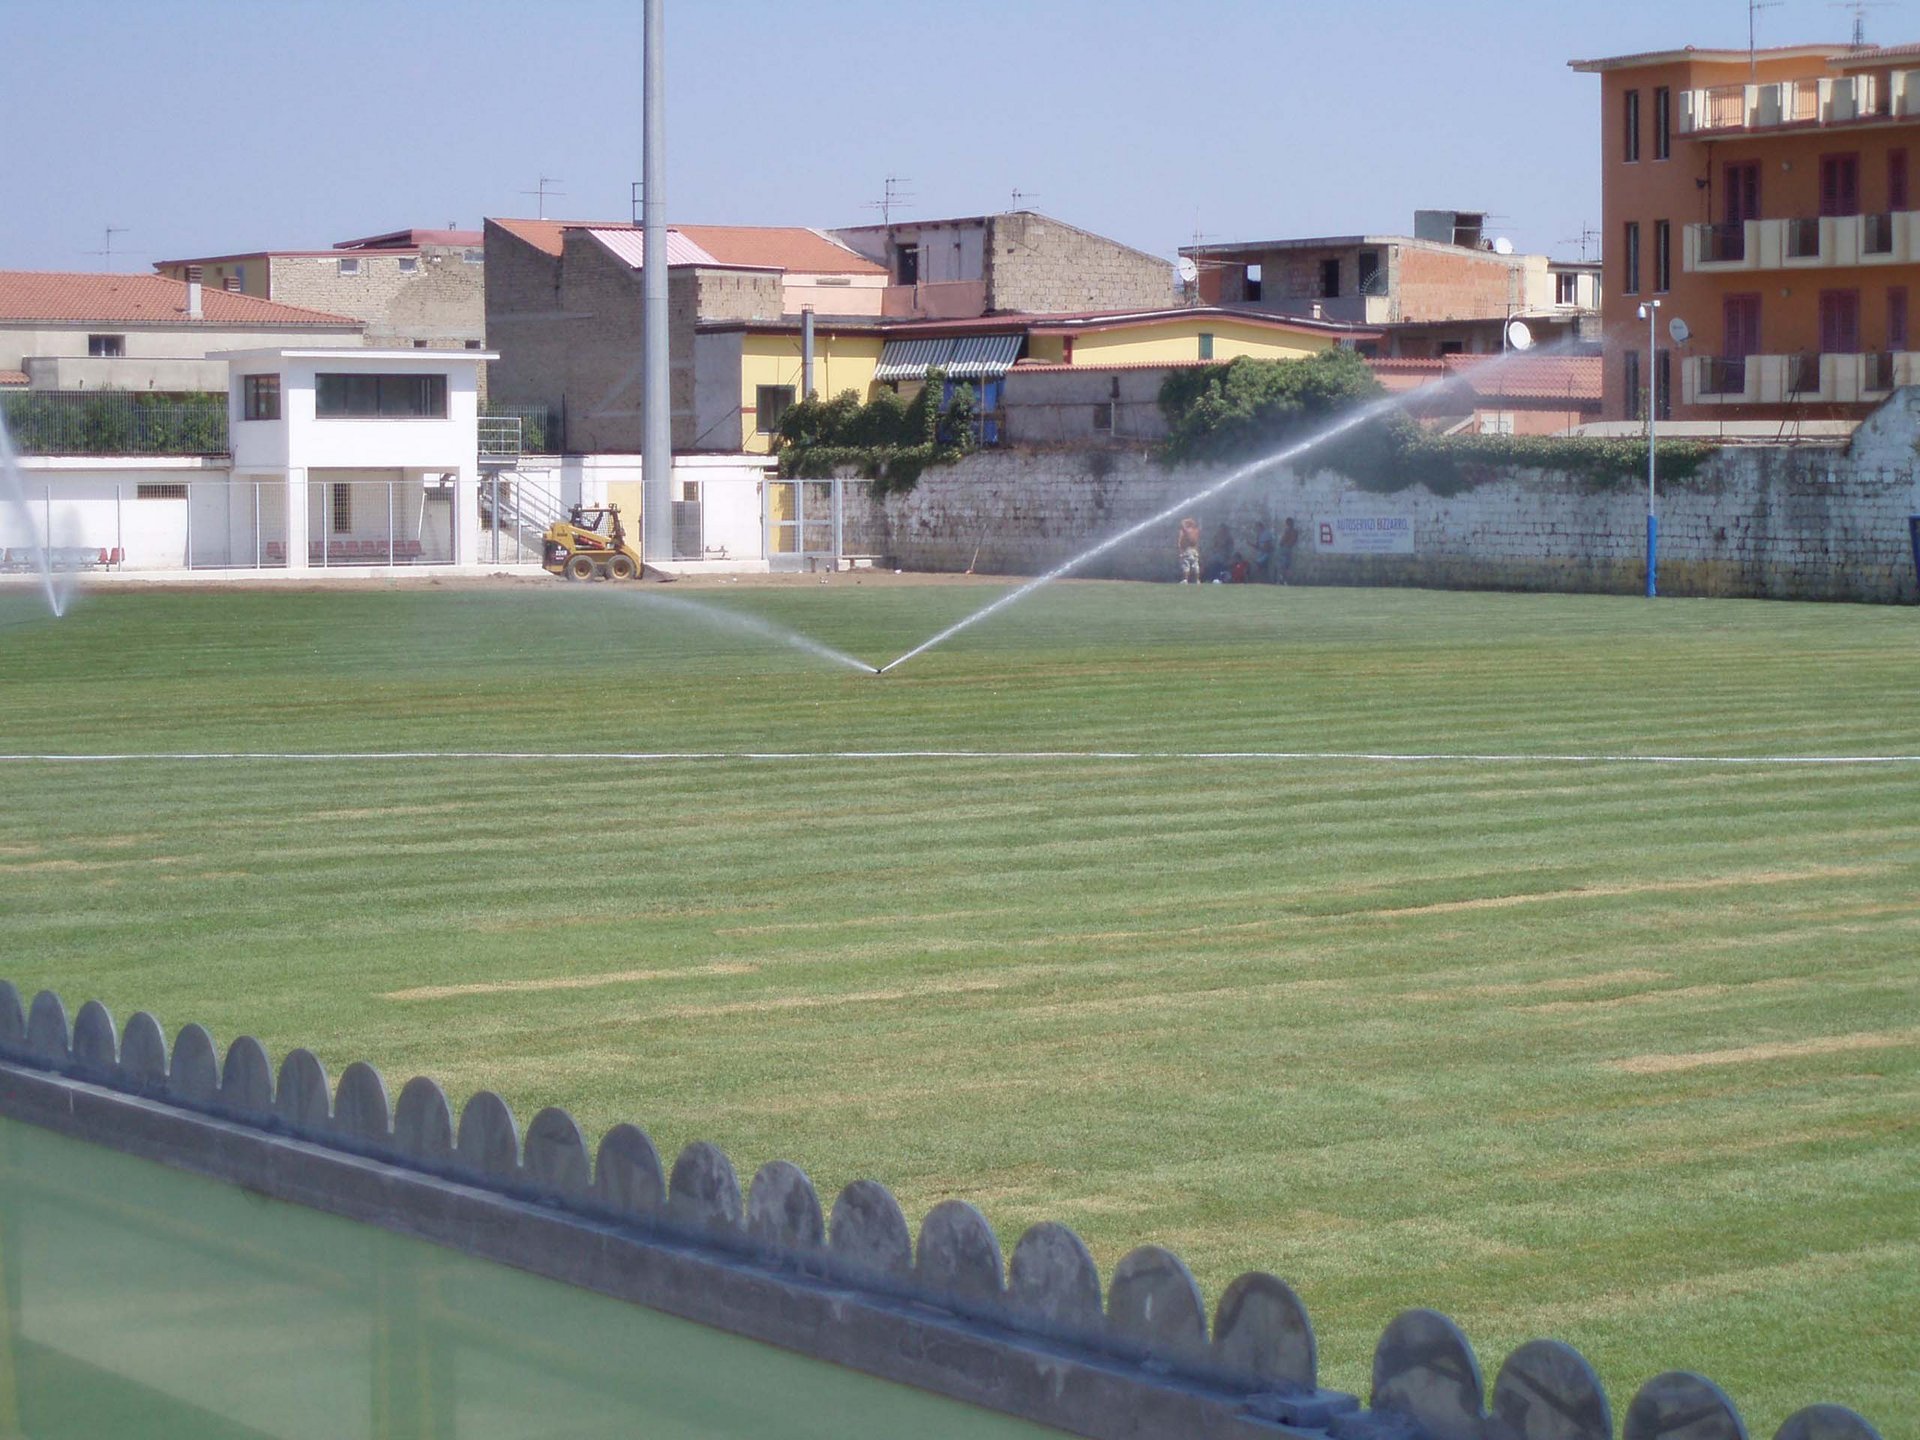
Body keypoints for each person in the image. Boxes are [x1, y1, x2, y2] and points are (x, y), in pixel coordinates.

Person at [1177, 517, 1201, 584]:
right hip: (1194, 550)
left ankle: (1185, 579)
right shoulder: (1196, 531)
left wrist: (1180, 549)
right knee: (1195, 565)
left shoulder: (1187, 530)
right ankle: (1197, 580)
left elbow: (1182, 525)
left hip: (1187, 549)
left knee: (1186, 565)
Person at [1277, 517, 1300, 585]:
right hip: (1290, 549)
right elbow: (1294, 541)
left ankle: (1282, 580)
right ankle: (1286, 580)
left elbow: (1283, 540)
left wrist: (1281, 543)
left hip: (1284, 548)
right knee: (1288, 566)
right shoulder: (1295, 531)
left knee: (1282, 566)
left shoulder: (1287, 531)